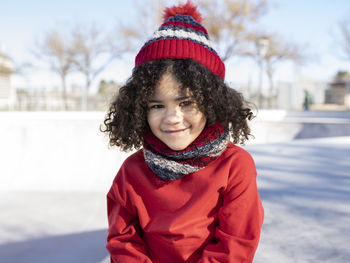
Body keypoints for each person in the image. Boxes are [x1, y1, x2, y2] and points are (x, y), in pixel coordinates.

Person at [101, 1, 264, 262]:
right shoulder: (131, 172)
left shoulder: (235, 166)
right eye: (157, 105)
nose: (172, 117)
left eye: (186, 102)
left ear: (211, 101)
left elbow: (235, 246)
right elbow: (123, 242)